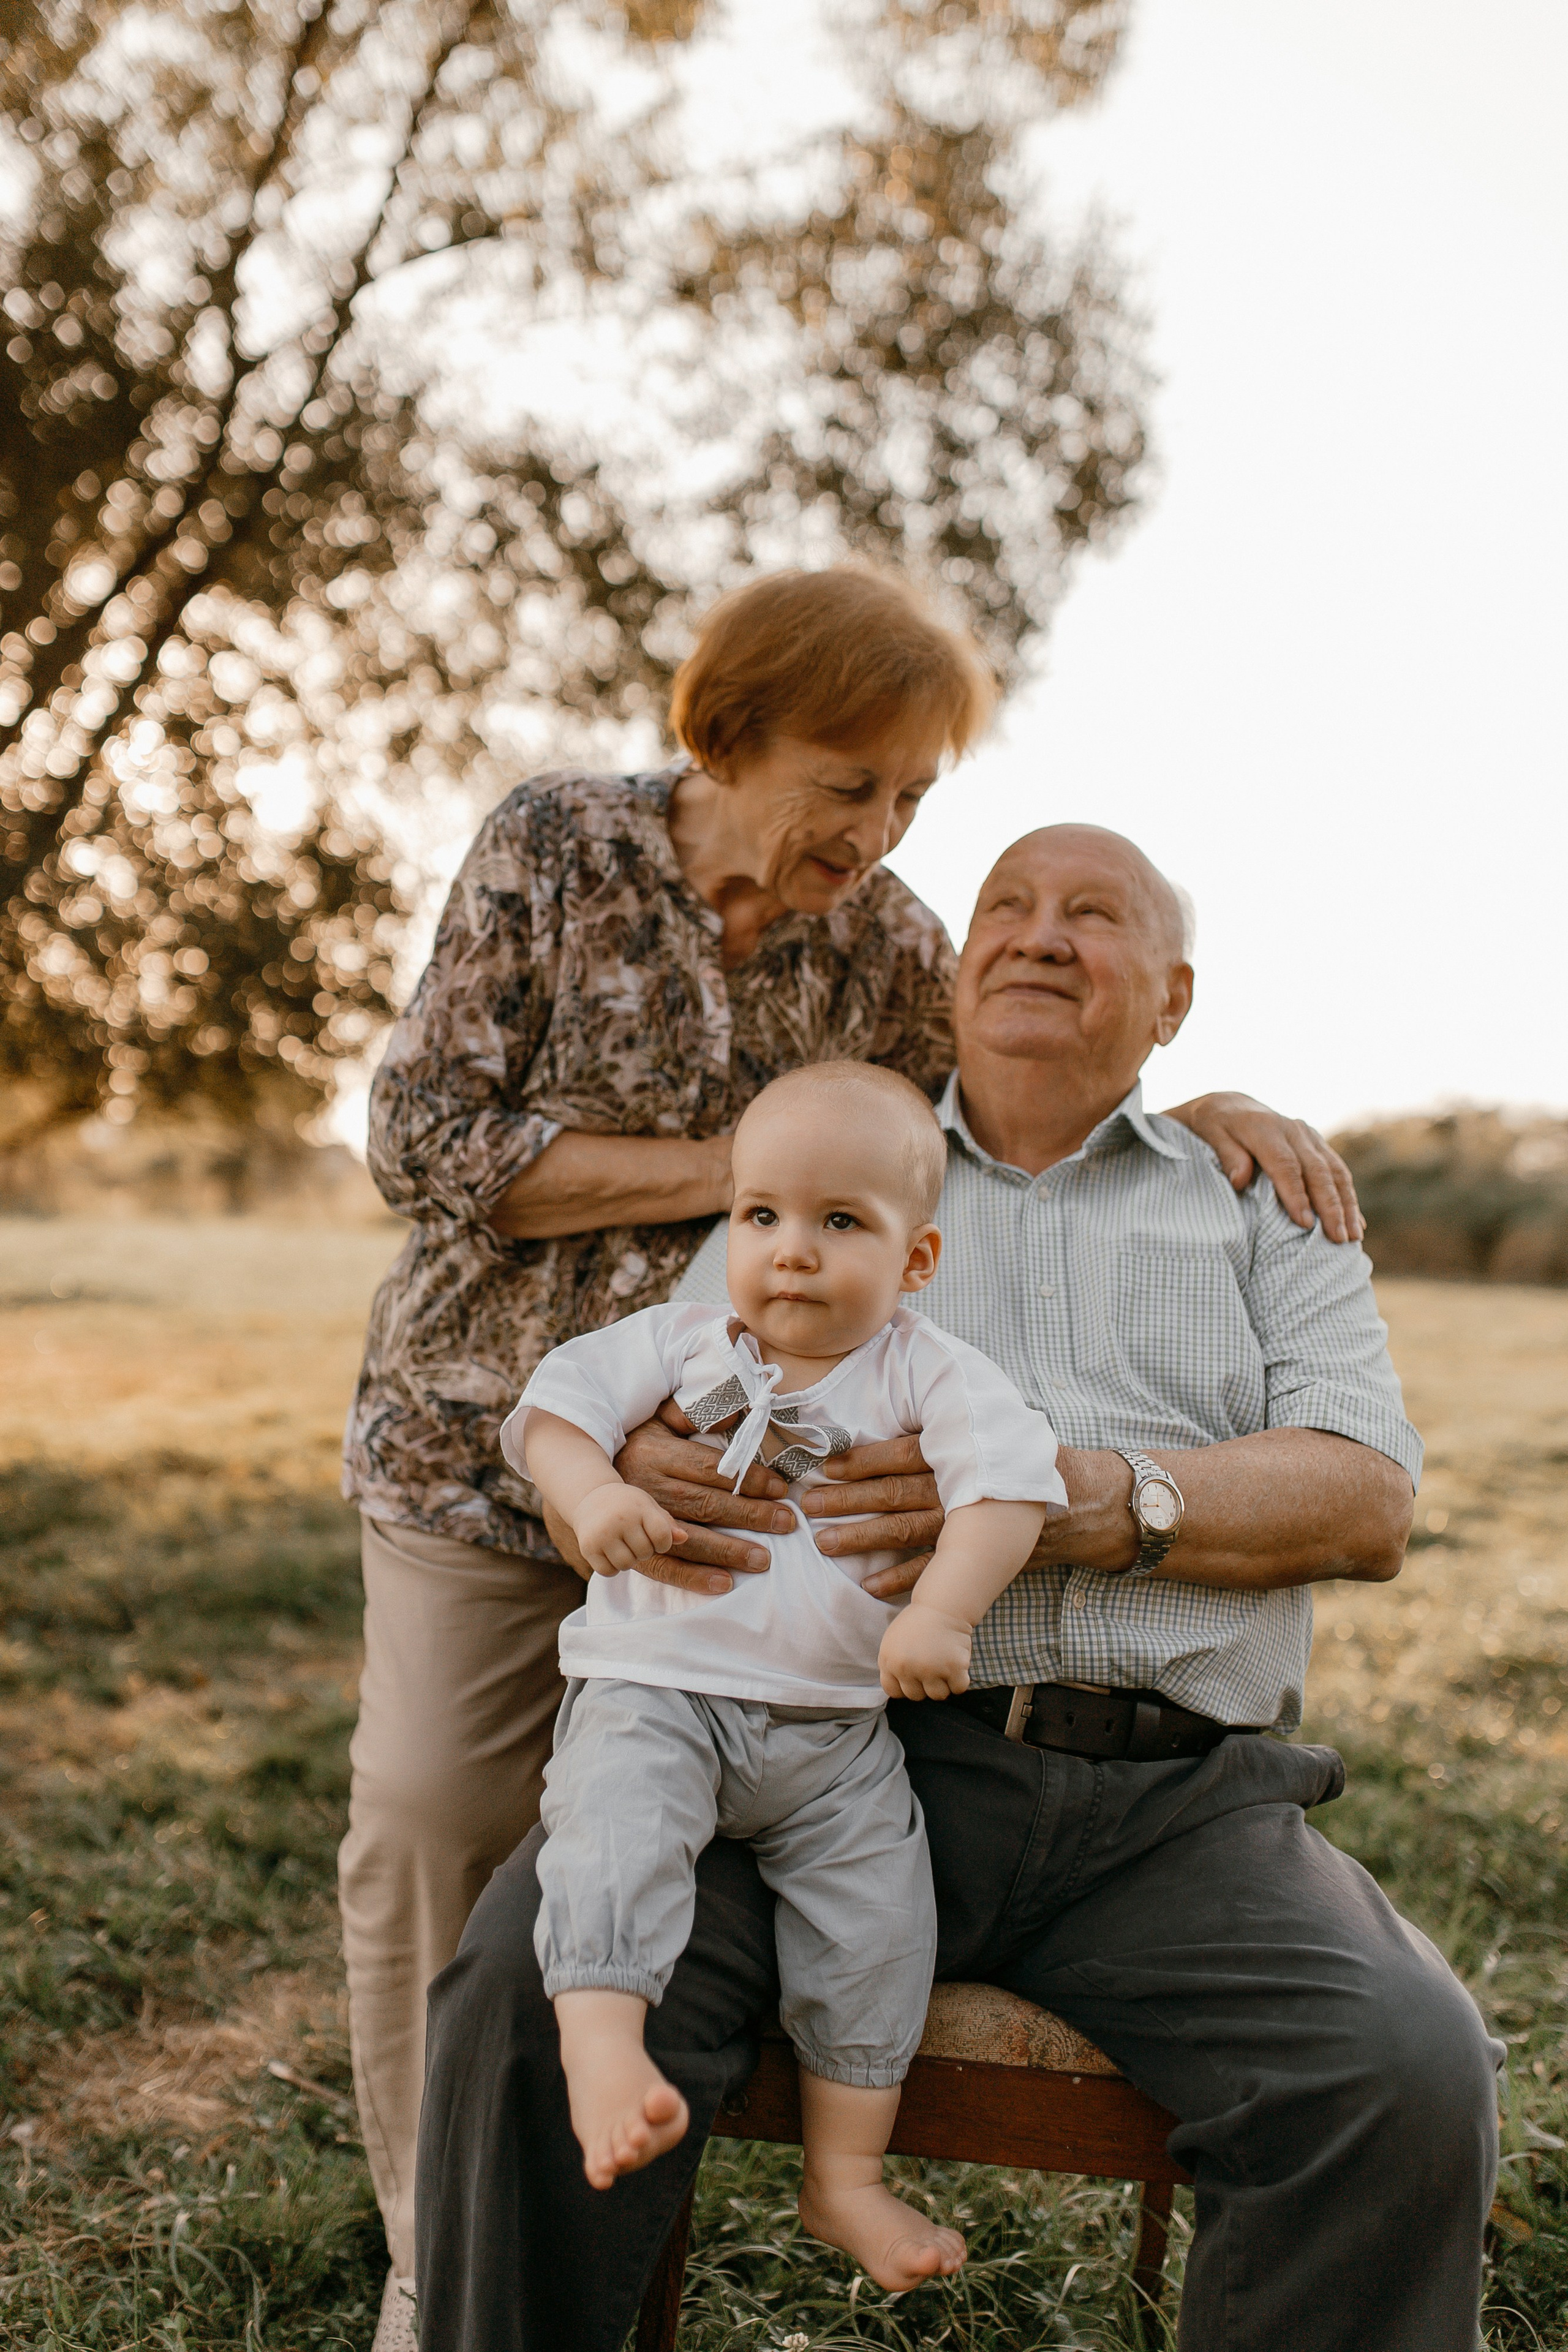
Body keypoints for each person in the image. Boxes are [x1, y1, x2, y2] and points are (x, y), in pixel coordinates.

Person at [338, 560, 1368, 2350]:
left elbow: (1018, 1086)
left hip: (749, 1513)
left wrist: (1193, 1103)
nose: (878, 831)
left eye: (909, 797)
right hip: (499, 1435)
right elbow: (427, 1139)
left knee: (638, 1826)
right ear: (731, 739)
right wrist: (752, 1181)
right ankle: (438, 2260)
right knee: (441, 1822)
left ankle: (718, 2162)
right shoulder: (559, 845)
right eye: (847, 783)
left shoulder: (890, 941)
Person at [511, 1061, 1064, 2286]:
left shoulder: (923, 1369)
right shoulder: (682, 1344)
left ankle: (845, 2178)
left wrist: (942, 1611)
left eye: (840, 1221)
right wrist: (592, 1492)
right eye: (761, 1214)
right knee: (613, 1833)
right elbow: (554, 1409)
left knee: (879, 1927)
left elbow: (1009, 1488)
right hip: (657, 1693)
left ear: (916, 1259)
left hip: (834, 1739)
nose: (792, 1251)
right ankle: (602, 2048)